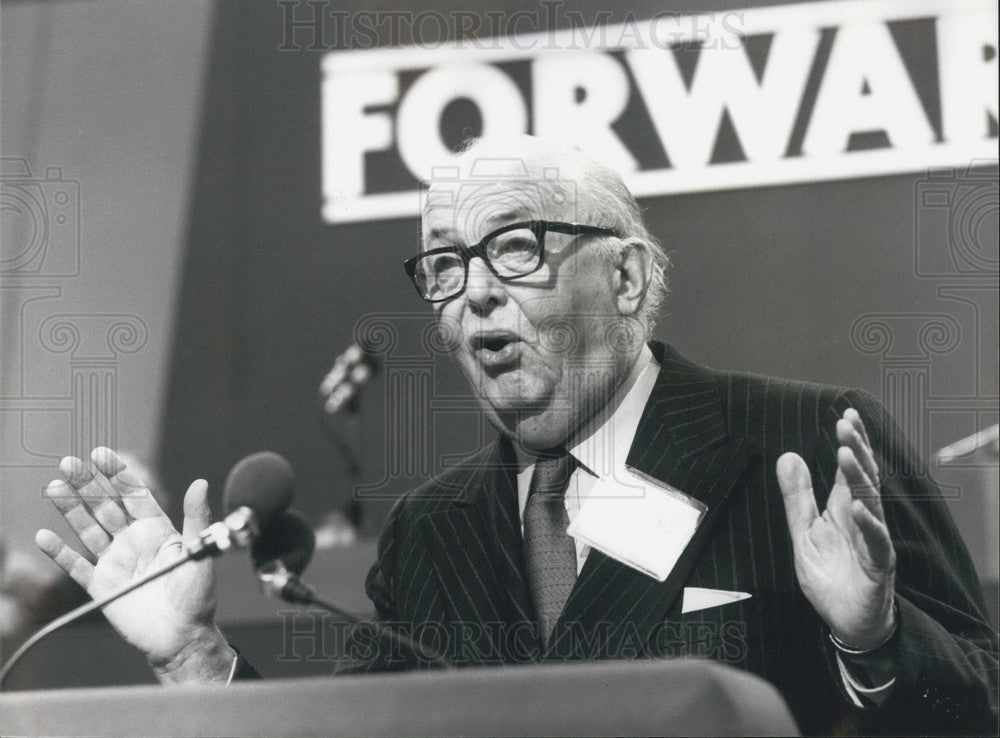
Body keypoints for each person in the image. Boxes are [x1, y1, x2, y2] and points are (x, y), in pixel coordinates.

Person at [35, 136, 997, 735]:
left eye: (517, 248)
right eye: (446, 266)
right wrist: (193, 660)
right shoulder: (432, 532)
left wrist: (873, 640)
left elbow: (979, 707)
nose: (477, 290)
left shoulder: (796, 443)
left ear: (624, 280)